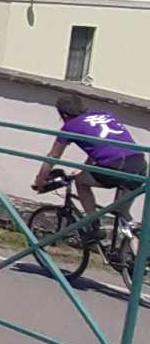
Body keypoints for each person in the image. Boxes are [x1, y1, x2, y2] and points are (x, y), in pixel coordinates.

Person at [34, 95, 146, 238]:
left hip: (116, 166)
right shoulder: (105, 115)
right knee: (122, 214)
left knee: (80, 181)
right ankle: (134, 255)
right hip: (138, 163)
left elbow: (53, 157)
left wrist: (40, 181)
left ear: (65, 115)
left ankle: (94, 225)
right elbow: (99, 144)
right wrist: (84, 168)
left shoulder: (70, 126)